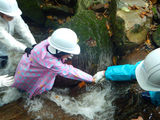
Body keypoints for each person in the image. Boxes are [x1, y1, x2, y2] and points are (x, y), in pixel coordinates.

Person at [11, 28, 101, 99]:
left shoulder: (49, 42)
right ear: (60, 52)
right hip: (32, 75)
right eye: (68, 53)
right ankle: (24, 96)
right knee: (26, 89)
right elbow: (70, 71)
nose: (70, 55)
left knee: (22, 83)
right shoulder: (53, 63)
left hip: (25, 67)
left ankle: (21, 91)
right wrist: (91, 78)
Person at [93, 48, 160, 106]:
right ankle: (155, 97)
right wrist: (106, 73)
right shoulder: (156, 61)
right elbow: (133, 70)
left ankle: (156, 98)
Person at [0, 0, 37, 68]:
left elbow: (23, 29)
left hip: (4, 48)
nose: (12, 18)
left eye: (13, 15)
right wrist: (25, 49)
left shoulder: (14, 15)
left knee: (4, 63)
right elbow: (6, 38)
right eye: (9, 16)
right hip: (4, 42)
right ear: (0, 13)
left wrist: (33, 43)